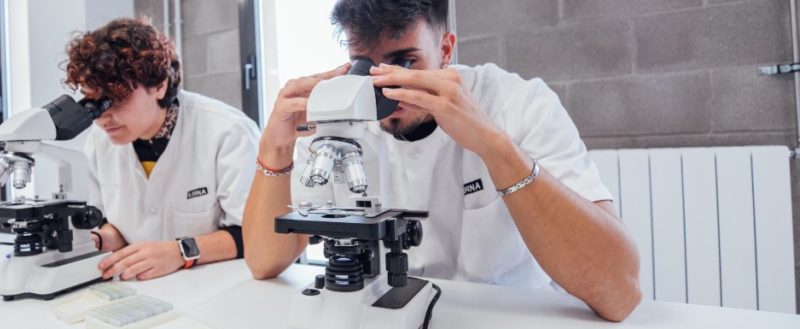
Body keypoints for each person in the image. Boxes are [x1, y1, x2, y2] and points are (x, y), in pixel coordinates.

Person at [242, 0, 641, 321]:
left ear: (446, 49)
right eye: (367, 68)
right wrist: (274, 149)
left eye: (405, 63)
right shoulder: (348, 115)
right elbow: (264, 262)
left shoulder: (520, 103)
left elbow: (619, 292)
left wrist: (493, 147)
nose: (386, 91)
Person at [65, 17, 260, 281]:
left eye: (116, 100)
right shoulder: (100, 141)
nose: (102, 118)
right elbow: (115, 224)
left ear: (159, 85)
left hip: (214, 288)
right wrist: (100, 239)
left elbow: (254, 236)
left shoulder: (228, 132)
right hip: (140, 289)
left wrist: (180, 252)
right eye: (94, 102)